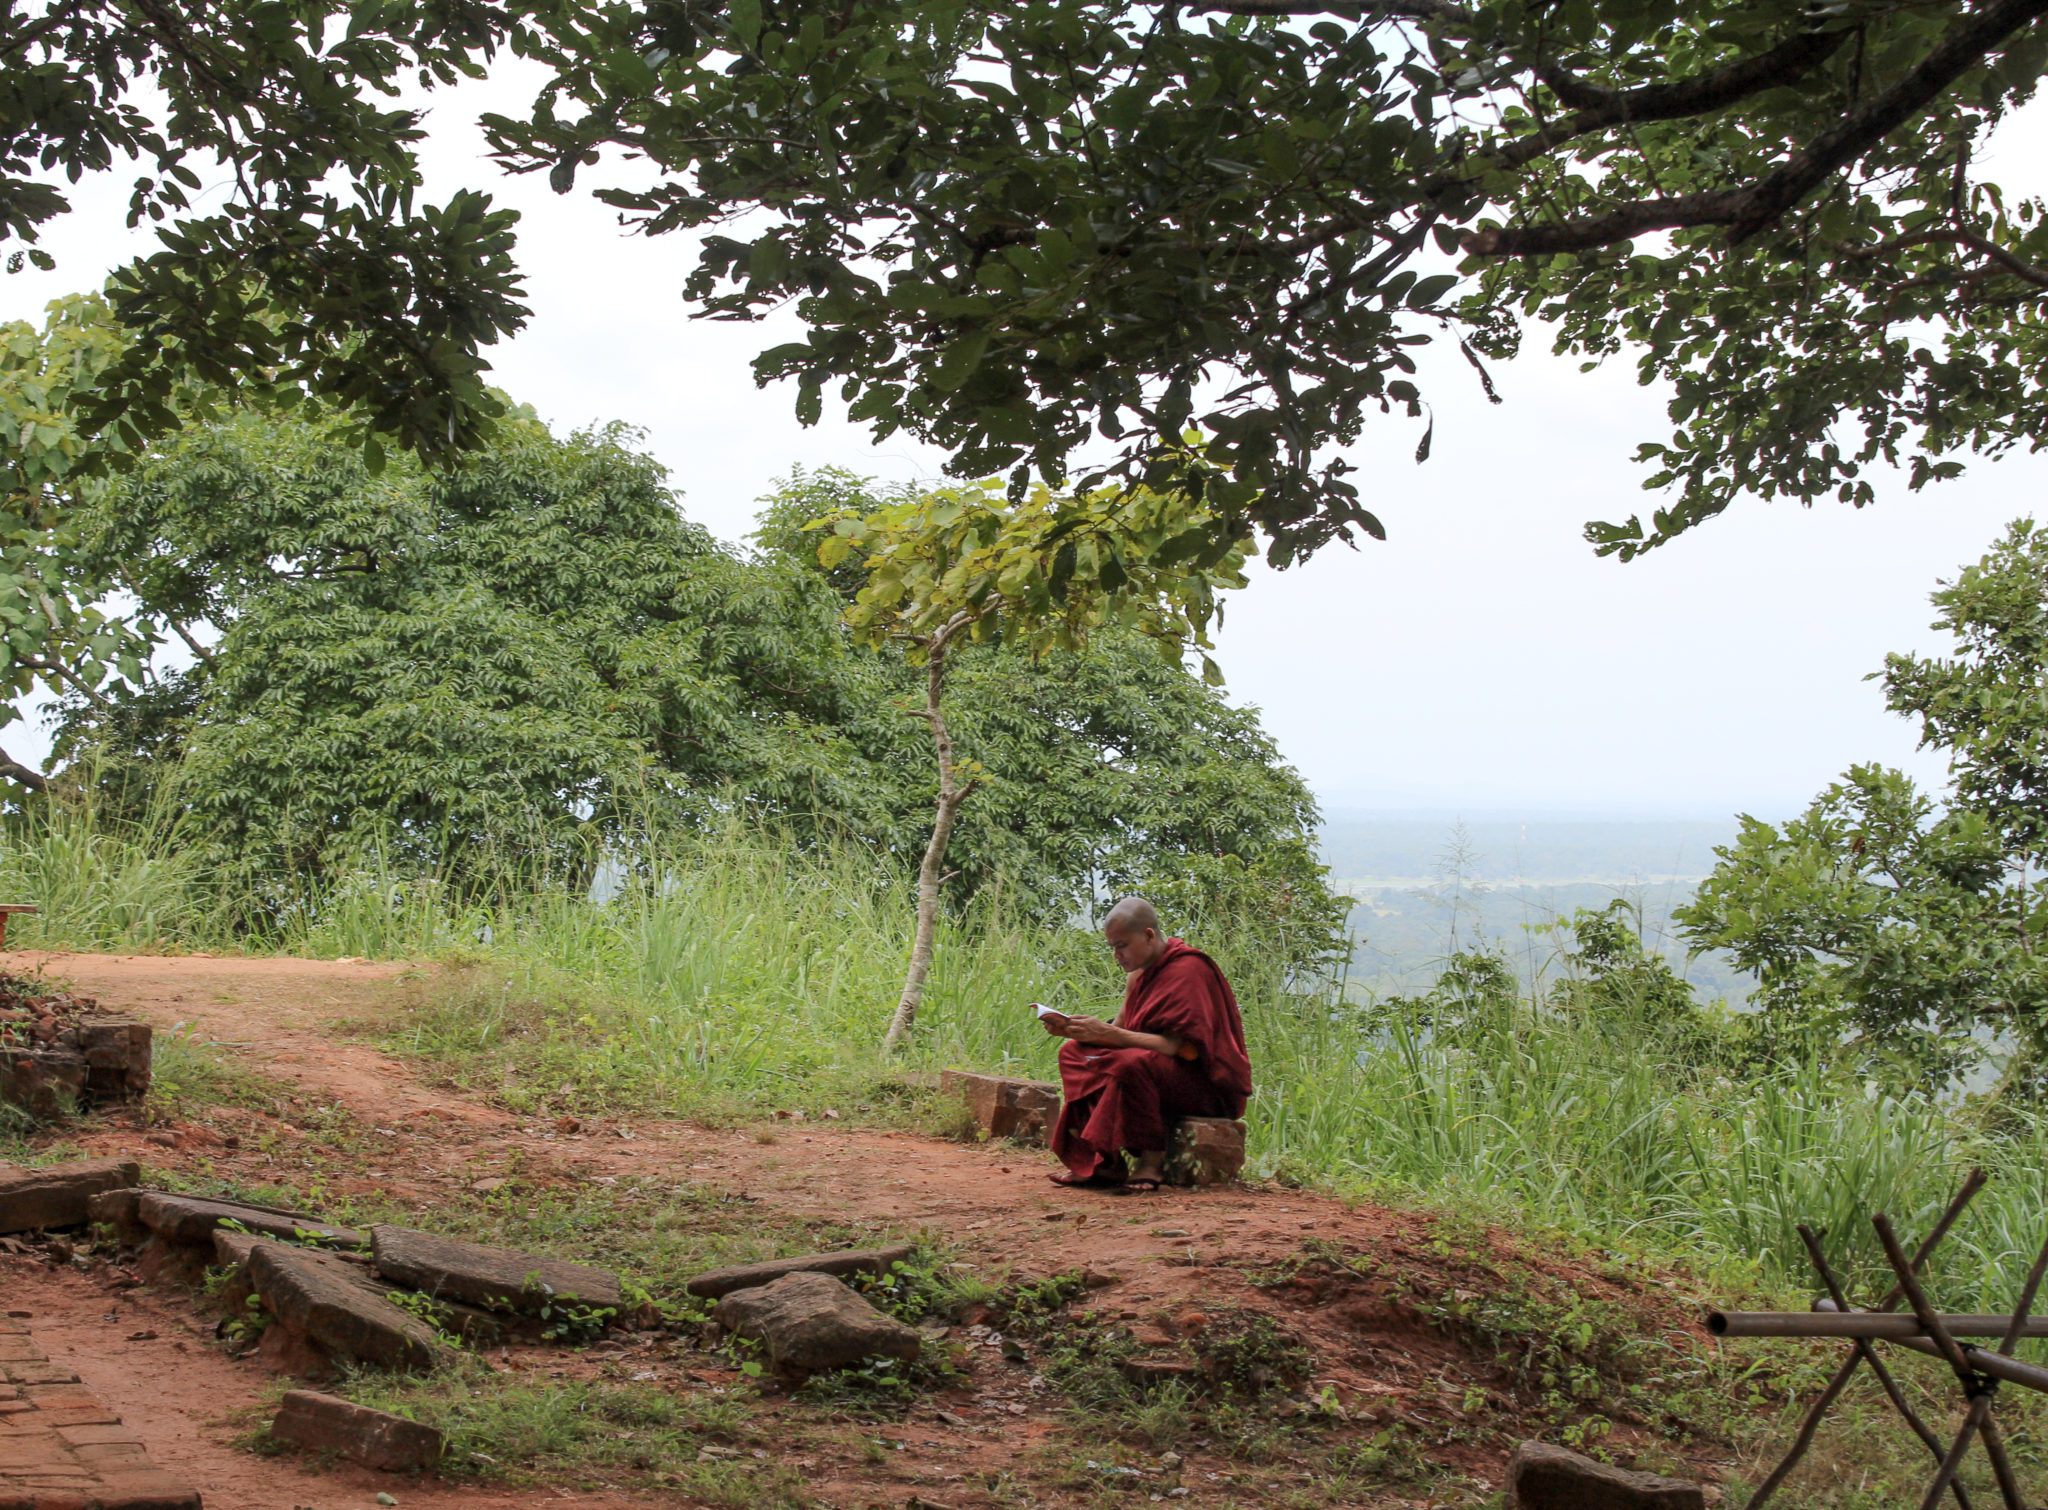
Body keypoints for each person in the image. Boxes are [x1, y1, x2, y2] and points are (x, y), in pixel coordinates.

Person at [1043, 896, 1251, 1191]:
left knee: (1131, 1063)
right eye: (1113, 947)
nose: (1117, 954)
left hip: (1202, 1083)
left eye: (1122, 945)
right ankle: (1105, 1162)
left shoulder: (1189, 969)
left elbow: (1181, 1048)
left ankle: (1152, 1161)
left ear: (1149, 935)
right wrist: (1077, 1032)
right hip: (1153, 1068)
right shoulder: (1137, 976)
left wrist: (1111, 1035)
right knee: (1074, 1055)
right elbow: (1121, 1030)